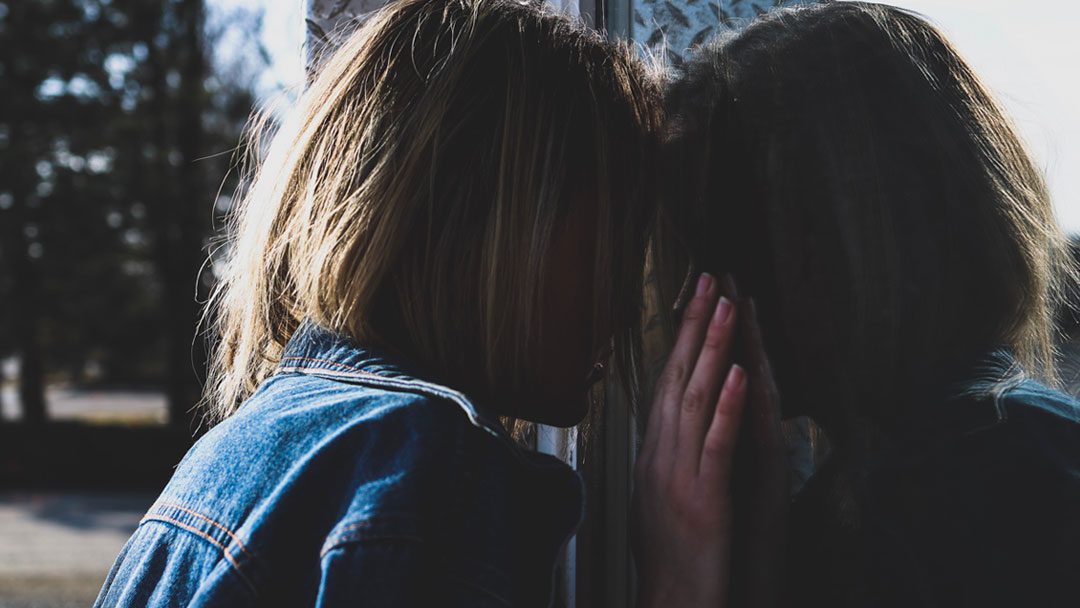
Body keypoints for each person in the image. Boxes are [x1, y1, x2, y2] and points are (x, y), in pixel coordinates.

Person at [95, 1, 753, 606]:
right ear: (501, 226)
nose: (625, 298)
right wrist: (678, 584)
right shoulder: (433, 476)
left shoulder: (234, 454)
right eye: (616, 235)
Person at [661, 2, 1080, 606]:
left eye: (716, 247)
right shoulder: (1000, 459)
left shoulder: (947, 498)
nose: (688, 304)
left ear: (830, 239)